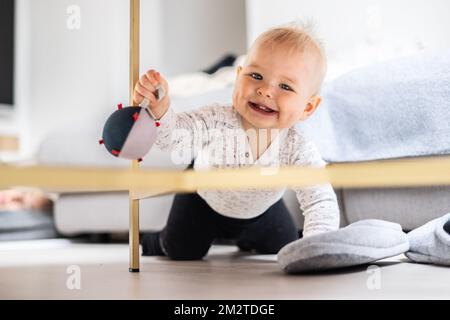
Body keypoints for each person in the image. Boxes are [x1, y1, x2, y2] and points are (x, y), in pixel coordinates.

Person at [133, 22, 340, 260]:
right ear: (238, 76)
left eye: (285, 86)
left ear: (308, 106)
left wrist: (316, 251)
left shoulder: (298, 147)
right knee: (180, 250)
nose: (266, 90)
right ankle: (156, 240)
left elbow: (320, 200)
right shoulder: (217, 119)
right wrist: (160, 109)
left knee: (285, 244)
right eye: (256, 75)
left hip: (261, 211)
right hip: (201, 201)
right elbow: (171, 138)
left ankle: (246, 239)